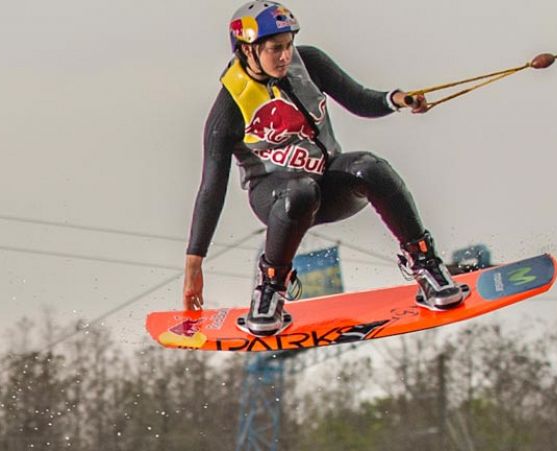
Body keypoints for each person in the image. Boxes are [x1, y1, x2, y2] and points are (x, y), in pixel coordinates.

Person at [182, 1, 465, 336]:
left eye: (288, 46)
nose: (285, 56)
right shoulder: (229, 108)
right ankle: (271, 285)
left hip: (327, 187)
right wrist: (194, 264)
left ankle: (425, 263)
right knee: (300, 191)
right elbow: (211, 190)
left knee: (369, 167)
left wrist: (396, 100)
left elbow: (359, 99)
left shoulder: (310, 62)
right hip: (277, 200)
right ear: (247, 50)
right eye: (275, 49)